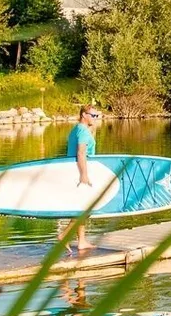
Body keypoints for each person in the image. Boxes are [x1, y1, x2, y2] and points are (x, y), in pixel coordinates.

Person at [58, 104, 101, 253]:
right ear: (84, 115)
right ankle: (64, 235)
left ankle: (81, 241)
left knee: (81, 206)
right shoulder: (82, 131)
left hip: (74, 170)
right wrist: (84, 175)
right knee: (87, 207)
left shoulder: (78, 129)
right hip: (79, 171)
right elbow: (81, 153)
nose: (96, 118)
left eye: (97, 116)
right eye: (93, 115)